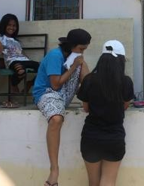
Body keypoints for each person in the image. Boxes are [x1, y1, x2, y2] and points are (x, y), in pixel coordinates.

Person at [31, 29, 92, 186]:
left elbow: (77, 77)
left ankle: (92, 98)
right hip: (46, 93)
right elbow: (55, 84)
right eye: (80, 49)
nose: (81, 52)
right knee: (57, 119)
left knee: (82, 64)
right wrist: (73, 67)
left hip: (62, 96)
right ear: (71, 45)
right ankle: (54, 169)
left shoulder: (73, 56)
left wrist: (79, 66)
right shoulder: (55, 55)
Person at [77, 40, 133, 186]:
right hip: (114, 137)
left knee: (93, 182)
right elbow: (124, 106)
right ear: (121, 60)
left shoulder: (89, 80)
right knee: (109, 181)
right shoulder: (126, 82)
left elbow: (86, 108)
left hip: (91, 137)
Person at [0, 13, 40, 107]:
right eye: (9, 25)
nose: (12, 27)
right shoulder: (0, 37)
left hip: (24, 60)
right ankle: (14, 85)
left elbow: (21, 53)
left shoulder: (16, 41)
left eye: (14, 25)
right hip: (12, 61)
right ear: (4, 25)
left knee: (43, 67)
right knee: (20, 70)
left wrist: (29, 61)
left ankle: (30, 83)